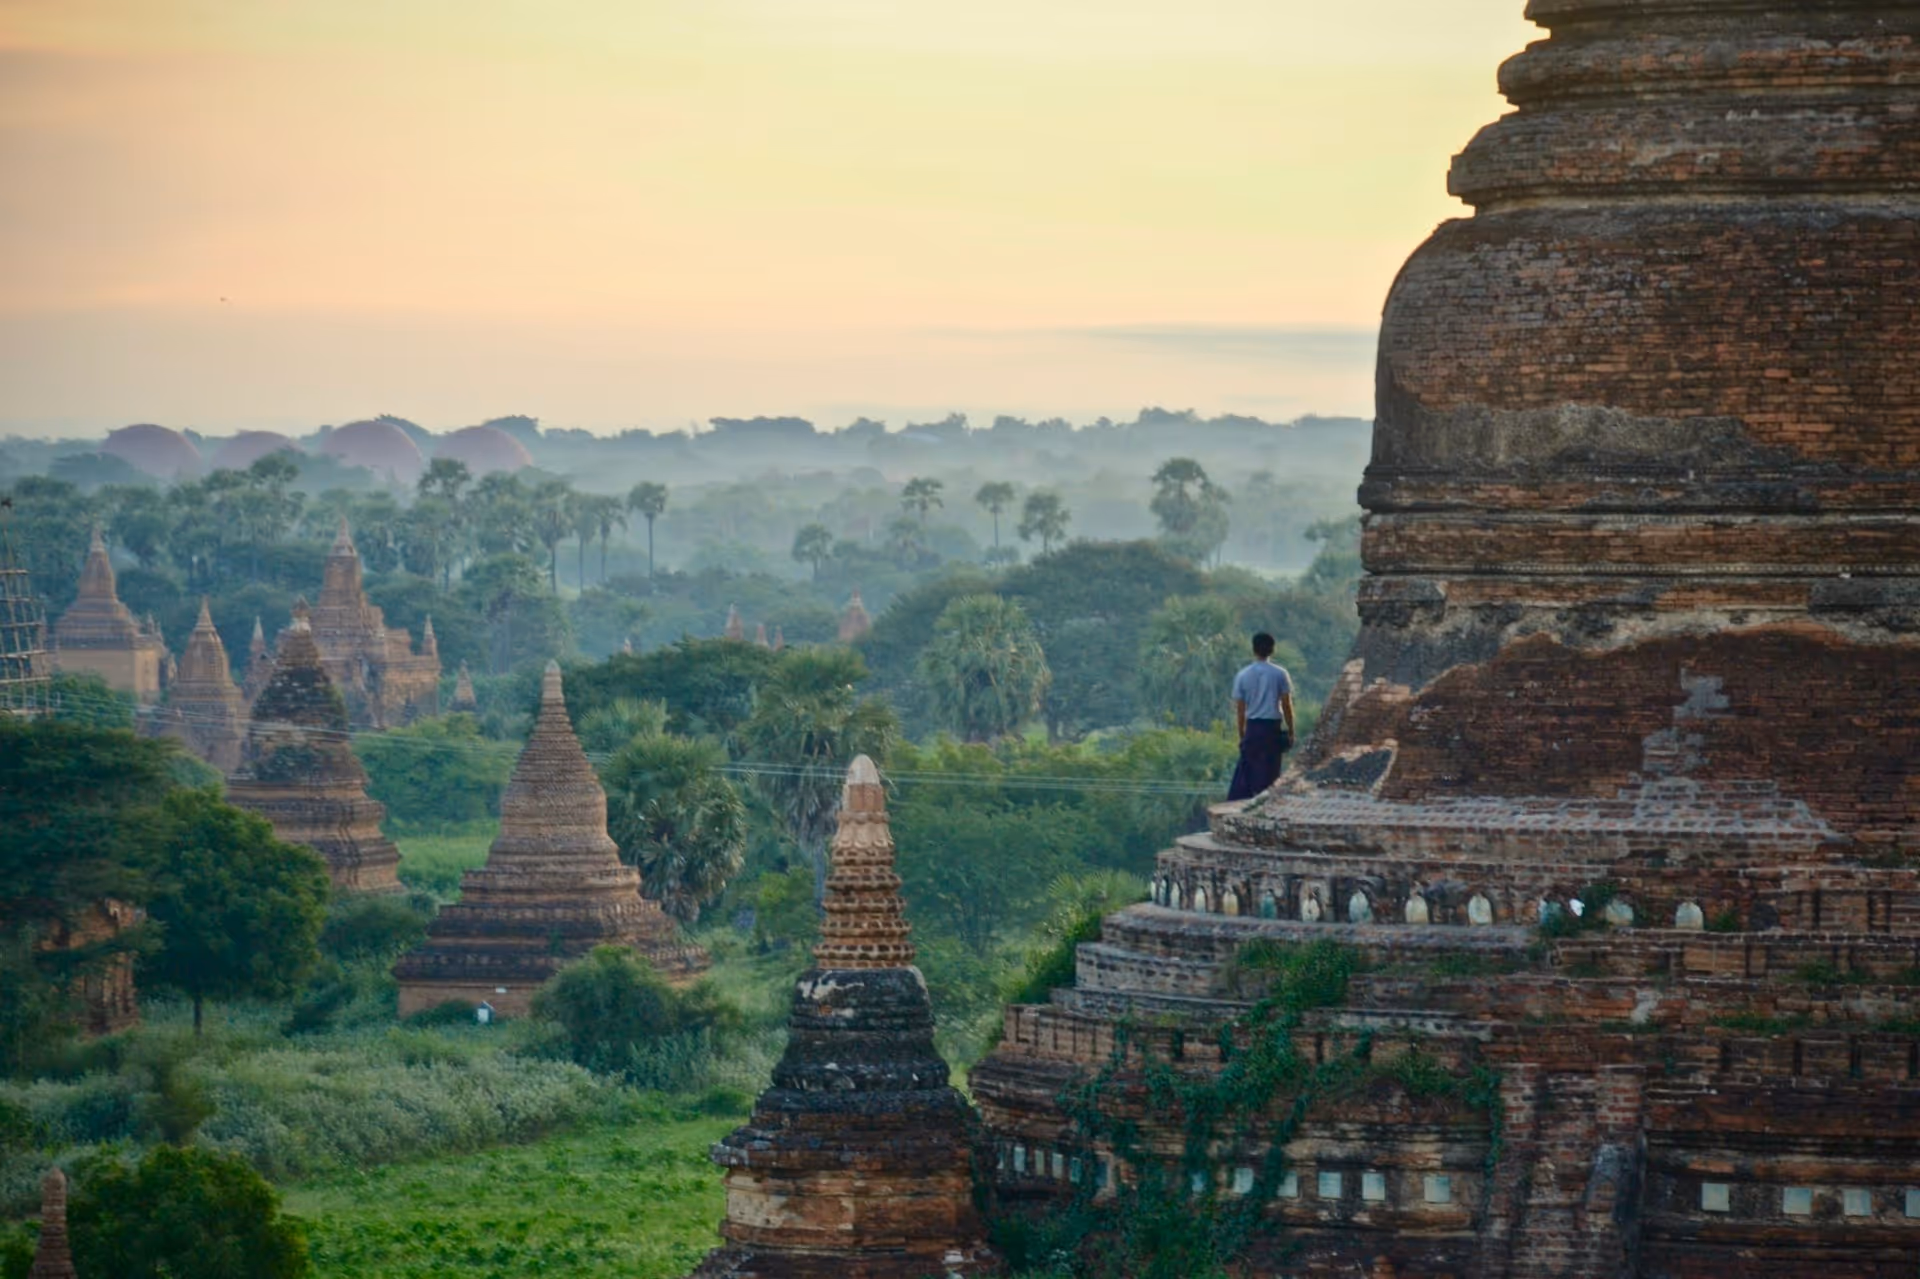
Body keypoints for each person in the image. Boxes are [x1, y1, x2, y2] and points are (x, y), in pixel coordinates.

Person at [1227, 631, 1294, 801]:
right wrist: (1291, 730)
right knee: (1270, 773)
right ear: (1272, 650)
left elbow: (1241, 709)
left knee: (1247, 773)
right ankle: (1266, 805)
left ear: (1254, 650)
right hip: (1272, 728)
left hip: (1253, 727)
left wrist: (1242, 734)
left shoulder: (1243, 675)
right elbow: (1286, 705)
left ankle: (1243, 807)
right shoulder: (1280, 673)